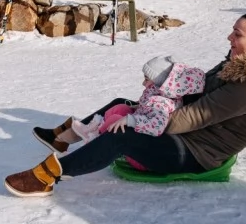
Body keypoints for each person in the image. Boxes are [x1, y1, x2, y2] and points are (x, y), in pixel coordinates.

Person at [4, 12, 246, 197]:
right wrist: (163, 82)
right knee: (122, 104)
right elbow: (199, 90)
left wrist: (141, 120)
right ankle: (65, 138)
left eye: (237, 35)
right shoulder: (239, 62)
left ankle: (47, 177)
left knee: (123, 134)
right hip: (189, 135)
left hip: (196, 152)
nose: (229, 38)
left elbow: (191, 117)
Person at [70, 56, 206, 173]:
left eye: (146, 79)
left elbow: (156, 126)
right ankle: (94, 130)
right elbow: (147, 108)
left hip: (142, 156)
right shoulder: (157, 91)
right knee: (121, 108)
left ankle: (97, 139)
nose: (143, 83)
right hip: (141, 136)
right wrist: (136, 108)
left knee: (117, 119)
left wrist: (130, 120)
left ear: (160, 81)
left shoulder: (161, 102)